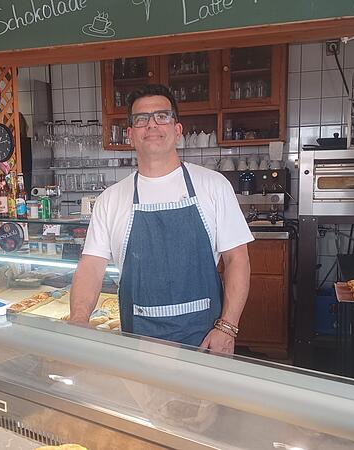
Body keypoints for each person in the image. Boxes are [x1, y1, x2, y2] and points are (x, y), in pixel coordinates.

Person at [69, 84, 253, 354]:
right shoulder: (111, 199)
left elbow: (238, 259)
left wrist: (227, 328)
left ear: (177, 130)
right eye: (141, 119)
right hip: (138, 342)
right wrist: (78, 318)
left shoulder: (214, 186)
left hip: (205, 342)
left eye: (162, 116)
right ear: (130, 135)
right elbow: (91, 266)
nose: (152, 125)